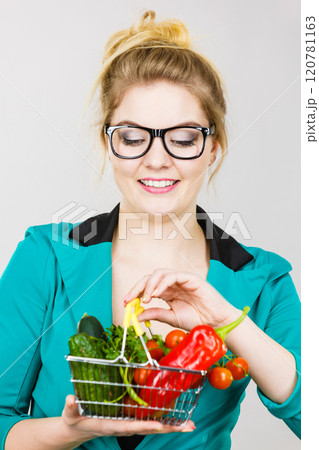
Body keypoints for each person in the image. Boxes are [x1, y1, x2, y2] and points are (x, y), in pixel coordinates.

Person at [0, 10, 300, 450]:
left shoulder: (263, 282)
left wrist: (228, 322)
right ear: (109, 143)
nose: (157, 159)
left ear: (213, 147)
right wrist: (68, 432)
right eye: (132, 136)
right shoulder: (46, 256)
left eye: (182, 138)